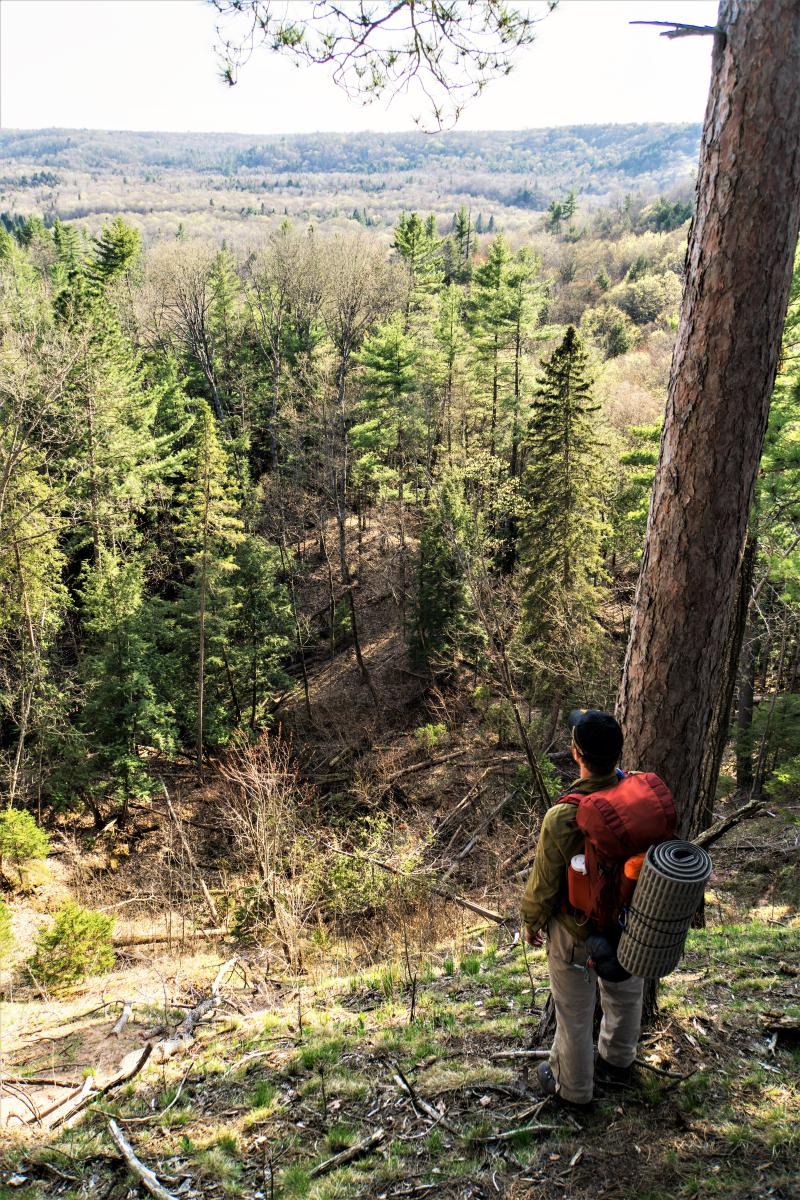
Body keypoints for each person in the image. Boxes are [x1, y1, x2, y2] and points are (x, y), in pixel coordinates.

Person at [521, 709, 644, 1108]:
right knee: (626, 995)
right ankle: (618, 1063)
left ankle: (572, 1088)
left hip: (577, 931)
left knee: (574, 1012)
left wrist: (530, 921)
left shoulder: (563, 816)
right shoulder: (638, 796)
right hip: (631, 924)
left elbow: (544, 881)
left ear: (576, 754)